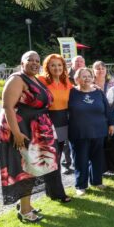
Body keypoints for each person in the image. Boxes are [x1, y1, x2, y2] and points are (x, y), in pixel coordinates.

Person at [0, 51, 58, 222]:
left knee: (32, 167)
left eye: (37, 61)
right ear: (21, 62)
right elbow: (8, 107)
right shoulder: (17, 79)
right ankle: (25, 212)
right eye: (29, 60)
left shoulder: (34, 79)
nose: (34, 63)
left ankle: (26, 204)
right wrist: (16, 133)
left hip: (33, 129)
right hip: (20, 129)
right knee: (25, 169)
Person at [69, 68, 114, 196]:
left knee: (97, 157)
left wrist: (111, 123)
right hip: (79, 132)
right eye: (83, 76)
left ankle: (97, 181)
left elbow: (107, 109)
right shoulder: (71, 92)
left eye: (89, 76)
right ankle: (80, 185)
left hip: (99, 130)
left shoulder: (98, 92)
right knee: (80, 159)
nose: (87, 78)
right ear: (77, 79)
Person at [37, 54, 72, 203]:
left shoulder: (66, 82)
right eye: (53, 65)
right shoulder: (42, 80)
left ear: (63, 67)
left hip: (63, 121)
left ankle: (51, 191)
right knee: (52, 158)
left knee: (55, 158)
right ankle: (58, 193)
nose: (56, 68)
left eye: (59, 65)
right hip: (48, 122)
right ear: (47, 67)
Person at [93, 61, 114, 176]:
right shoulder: (91, 84)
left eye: (102, 68)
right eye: (98, 68)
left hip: (110, 116)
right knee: (99, 144)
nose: (100, 70)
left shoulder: (112, 83)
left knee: (112, 143)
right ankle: (102, 168)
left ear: (106, 70)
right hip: (95, 119)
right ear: (93, 71)